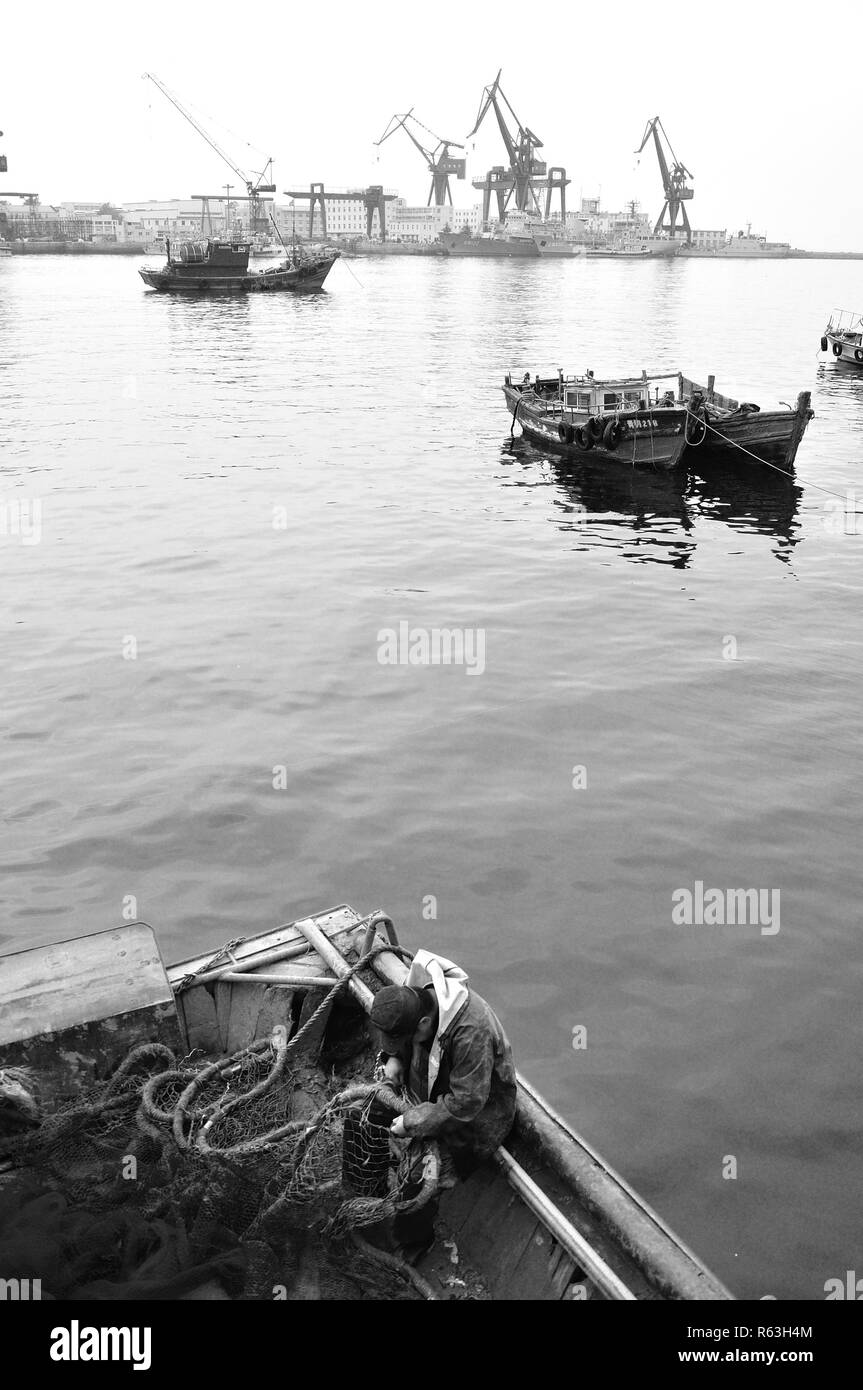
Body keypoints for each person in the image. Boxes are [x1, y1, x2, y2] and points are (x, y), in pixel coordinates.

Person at [369, 949, 517, 1179]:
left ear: (424, 1023)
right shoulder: (416, 997)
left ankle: (413, 1210)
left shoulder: (472, 1033)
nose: (403, 1043)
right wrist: (394, 1057)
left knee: (417, 1176)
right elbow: (400, 1036)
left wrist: (411, 1122)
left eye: (405, 1039)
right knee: (365, 1116)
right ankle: (369, 1187)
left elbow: (464, 1104)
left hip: (471, 1121)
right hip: (428, 1094)